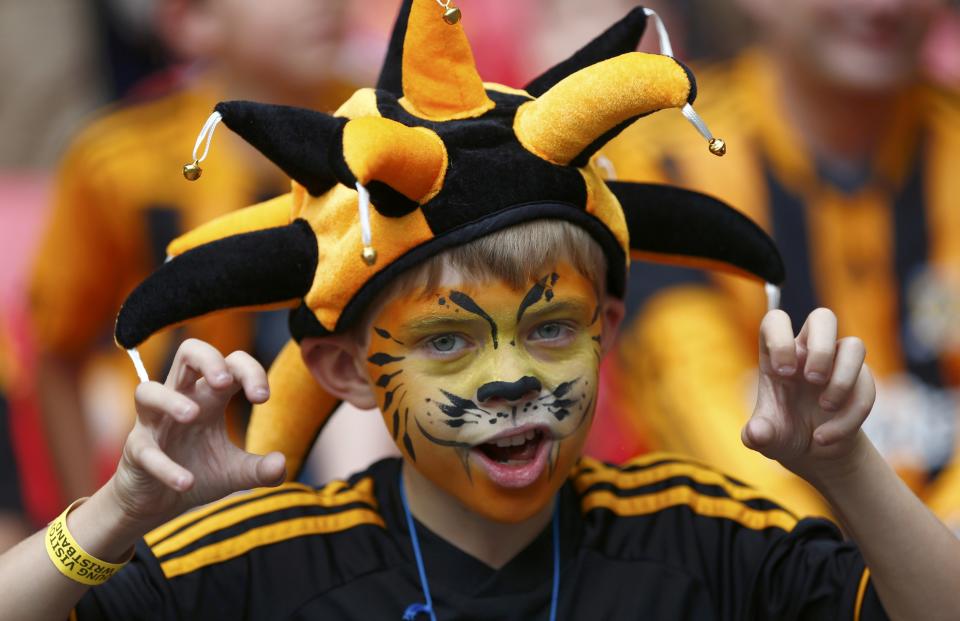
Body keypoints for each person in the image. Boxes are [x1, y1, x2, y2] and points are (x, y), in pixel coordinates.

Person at [2, 2, 958, 618]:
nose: (509, 378)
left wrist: (844, 465)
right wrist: (121, 510)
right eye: (448, 340)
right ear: (345, 370)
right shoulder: (268, 566)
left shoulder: (700, 540)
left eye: (549, 328)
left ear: (606, 330)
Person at [598, 0, 960, 520]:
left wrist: (936, 563)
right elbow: (695, 404)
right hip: (761, 573)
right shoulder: (665, 163)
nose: (884, 6)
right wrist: (850, 577)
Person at [28, 0, 357, 503]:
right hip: (179, 484)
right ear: (191, 21)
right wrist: (90, 533)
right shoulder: (120, 163)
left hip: (348, 470)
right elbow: (58, 351)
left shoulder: (385, 131)